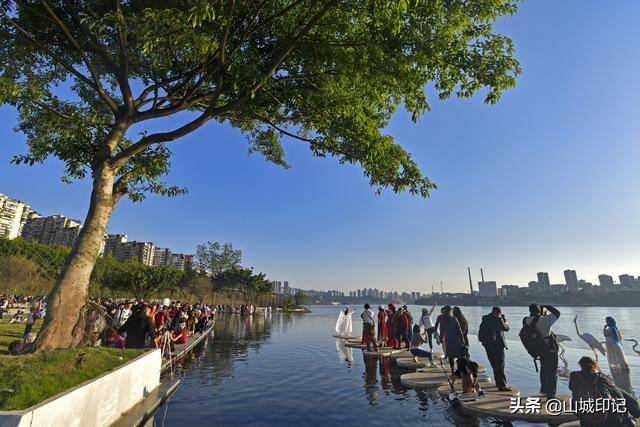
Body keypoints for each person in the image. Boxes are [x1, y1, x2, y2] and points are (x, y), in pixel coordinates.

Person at [569, 356, 639, 426]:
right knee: (619, 393)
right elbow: (619, 395)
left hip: (586, 420)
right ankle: (636, 413)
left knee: (575, 401)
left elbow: (571, 388)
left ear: (581, 365)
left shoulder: (574, 376)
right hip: (609, 421)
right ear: (594, 366)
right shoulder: (602, 378)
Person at [524, 303, 560, 399]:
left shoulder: (526, 320)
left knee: (544, 368)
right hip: (549, 348)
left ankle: (543, 389)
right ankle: (551, 395)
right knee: (552, 371)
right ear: (539, 311)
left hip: (538, 348)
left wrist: (542, 313)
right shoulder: (545, 320)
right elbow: (557, 313)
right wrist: (547, 306)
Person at [478, 306, 512, 391]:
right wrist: (504, 320)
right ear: (497, 313)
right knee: (500, 365)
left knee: (494, 365)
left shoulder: (485, 319)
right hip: (497, 345)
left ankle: (498, 382)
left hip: (487, 345)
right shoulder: (498, 319)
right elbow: (506, 328)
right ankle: (502, 385)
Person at [439, 305, 465, 372]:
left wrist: (441, 339)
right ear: (450, 311)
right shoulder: (454, 318)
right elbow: (459, 330)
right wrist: (462, 339)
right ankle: (460, 370)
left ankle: (453, 371)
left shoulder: (443, 319)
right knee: (459, 356)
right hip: (456, 340)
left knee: (451, 357)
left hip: (448, 340)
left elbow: (441, 330)